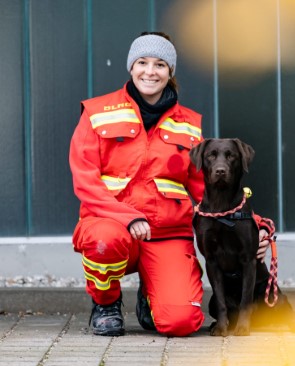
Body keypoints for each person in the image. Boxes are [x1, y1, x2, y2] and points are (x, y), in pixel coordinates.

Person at [69, 31, 275, 337]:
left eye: (160, 64)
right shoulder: (97, 113)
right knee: (104, 241)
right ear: (131, 66)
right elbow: (85, 181)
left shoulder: (189, 124)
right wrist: (128, 217)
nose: (150, 71)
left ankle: (150, 295)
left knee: (181, 322)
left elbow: (208, 191)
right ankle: (106, 303)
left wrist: (253, 223)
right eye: (142, 62)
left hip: (166, 234)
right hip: (112, 225)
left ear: (170, 72)